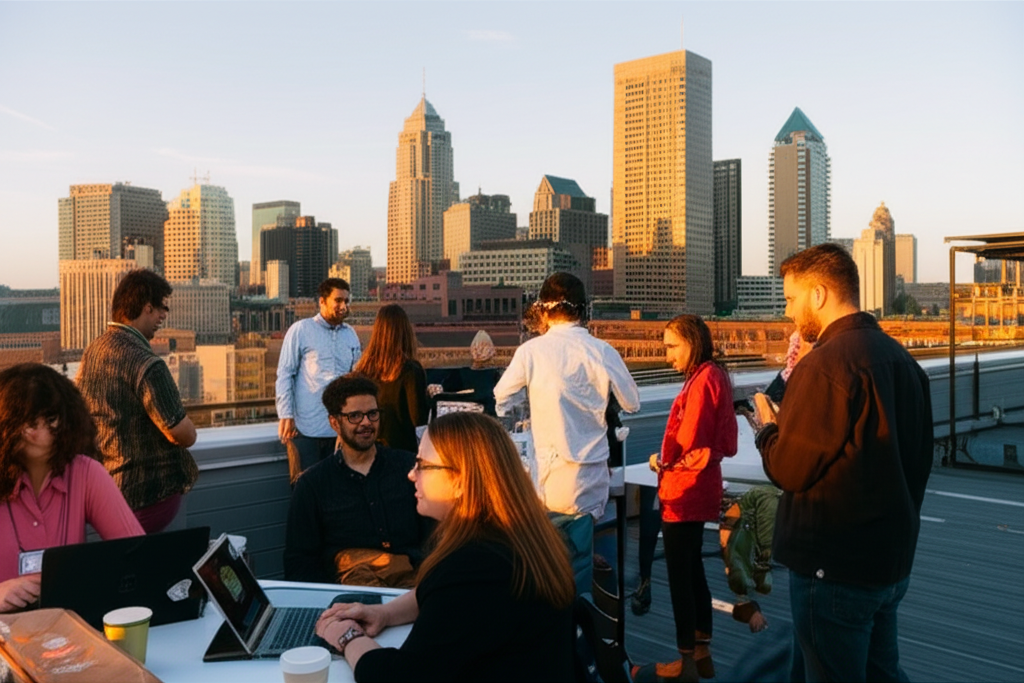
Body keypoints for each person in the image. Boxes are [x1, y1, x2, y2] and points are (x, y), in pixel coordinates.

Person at [754, 242, 934, 683]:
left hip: (832, 569)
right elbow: (918, 462)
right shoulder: (905, 363)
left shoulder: (823, 367)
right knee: (882, 672)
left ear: (818, 295)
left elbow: (791, 469)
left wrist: (766, 429)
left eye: (792, 300)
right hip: (889, 563)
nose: (789, 313)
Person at [313, 411, 576, 682]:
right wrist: (383, 613)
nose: (411, 474)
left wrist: (347, 637)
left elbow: (399, 678)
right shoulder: (516, 537)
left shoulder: (475, 566)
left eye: (422, 465)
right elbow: (436, 594)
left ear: (461, 481)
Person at [494, 272, 640, 591]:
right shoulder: (601, 351)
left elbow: (502, 398)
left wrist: (531, 403)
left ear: (544, 311)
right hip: (589, 479)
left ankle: (556, 621)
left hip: (547, 477)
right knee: (580, 561)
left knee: (546, 562)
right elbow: (632, 402)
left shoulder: (532, 352)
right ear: (584, 311)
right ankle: (581, 622)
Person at [635, 315, 737, 683]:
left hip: (685, 488)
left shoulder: (702, 379)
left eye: (672, 346)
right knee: (692, 567)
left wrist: (663, 461)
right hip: (701, 482)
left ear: (692, 343)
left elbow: (690, 435)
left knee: (680, 574)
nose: (667, 356)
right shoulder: (715, 375)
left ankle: (686, 662)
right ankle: (702, 651)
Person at [1, 364, 144, 613]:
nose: (36, 433)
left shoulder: (85, 473)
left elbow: (137, 554)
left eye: (51, 420)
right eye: (27, 422)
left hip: (68, 631)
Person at [77, 269, 198, 533]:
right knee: (153, 567)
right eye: (161, 308)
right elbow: (182, 433)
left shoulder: (93, 352)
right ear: (146, 307)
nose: (163, 317)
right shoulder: (147, 364)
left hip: (107, 491)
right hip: (149, 496)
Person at [284, 375, 430, 587]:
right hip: (349, 596)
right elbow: (300, 562)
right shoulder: (313, 485)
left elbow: (434, 536)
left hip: (413, 587)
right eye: (355, 416)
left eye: (372, 414)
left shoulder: (408, 469)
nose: (366, 423)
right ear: (335, 422)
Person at [276, 278, 362, 482]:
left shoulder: (351, 335)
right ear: (322, 301)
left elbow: (356, 380)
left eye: (347, 301)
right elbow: (285, 373)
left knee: (339, 493)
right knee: (305, 492)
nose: (344, 306)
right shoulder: (301, 330)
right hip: (306, 430)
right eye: (338, 300)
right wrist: (285, 414)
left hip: (342, 431)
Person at [353, 304, 428, 453]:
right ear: (406, 332)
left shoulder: (362, 371)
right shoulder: (410, 370)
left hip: (368, 451)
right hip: (402, 453)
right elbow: (419, 420)